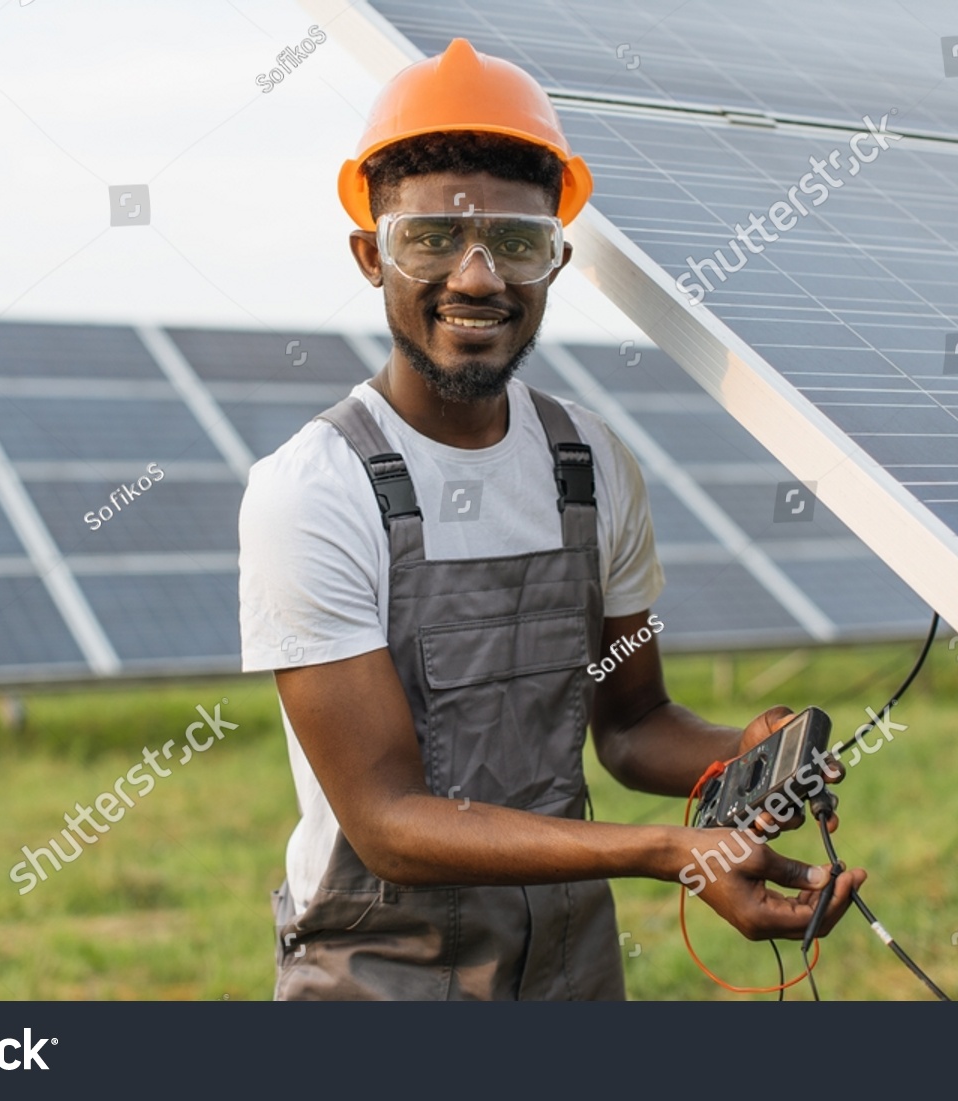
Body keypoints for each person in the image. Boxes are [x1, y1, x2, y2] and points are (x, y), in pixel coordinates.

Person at [237, 38, 864, 1001]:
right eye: (433, 239)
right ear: (372, 256)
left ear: (558, 258)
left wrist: (742, 748)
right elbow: (387, 819)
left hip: (572, 968)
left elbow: (632, 722)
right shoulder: (314, 490)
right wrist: (668, 849)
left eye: (517, 241)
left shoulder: (593, 468)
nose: (479, 277)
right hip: (379, 979)